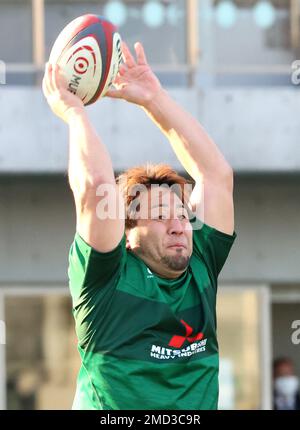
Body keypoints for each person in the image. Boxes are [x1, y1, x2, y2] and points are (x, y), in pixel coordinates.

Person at [42, 41, 236, 410]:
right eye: (161, 215)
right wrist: (74, 113)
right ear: (127, 236)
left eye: (182, 215)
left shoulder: (201, 263)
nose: (179, 225)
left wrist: (153, 97)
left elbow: (215, 175)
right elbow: (96, 188)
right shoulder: (104, 279)